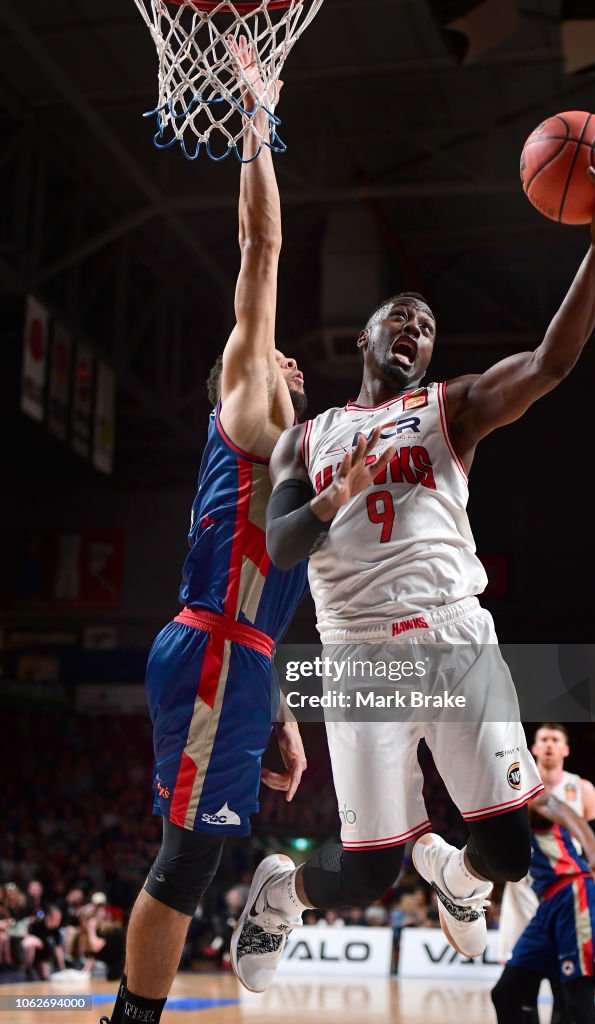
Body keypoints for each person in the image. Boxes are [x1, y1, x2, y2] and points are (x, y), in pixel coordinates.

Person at [226, 145, 595, 994]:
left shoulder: (448, 407)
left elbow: (549, 364)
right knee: (368, 875)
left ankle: (454, 876)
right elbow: (279, 547)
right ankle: (281, 887)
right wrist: (334, 497)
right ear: (367, 337)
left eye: (427, 325)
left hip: (456, 638)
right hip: (358, 656)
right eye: (401, 318)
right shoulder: (309, 437)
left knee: (508, 856)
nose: (415, 329)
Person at [99, 39, 309, 1024]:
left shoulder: (296, 466)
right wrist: (255, 119)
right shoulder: (252, 397)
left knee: (199, 850)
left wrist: (284, 717)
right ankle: (132, 1019)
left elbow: (284, 597)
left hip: (242, 659)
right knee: (188, 854)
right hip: (216, 650)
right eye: (280, 361)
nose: (290, 369)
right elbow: (258, 250)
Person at [499, 723, 595, 1024]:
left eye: (556, 740)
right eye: (544, 739)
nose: (549, 745)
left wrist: (593, 853)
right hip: (537, 897)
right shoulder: (502, 799)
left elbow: (566, 812)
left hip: (572, 890)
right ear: (533, 748)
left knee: (573, 1001)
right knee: (507, 993)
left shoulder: (545, 793)